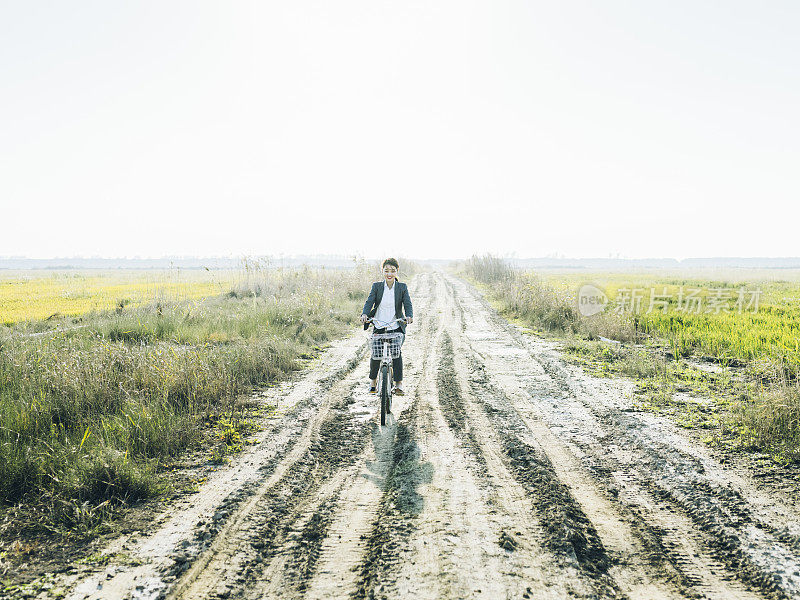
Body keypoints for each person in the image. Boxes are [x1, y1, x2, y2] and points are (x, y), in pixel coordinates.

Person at [360, 258, 413, 395]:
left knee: (396, 354)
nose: (389, 274)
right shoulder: (377, 286)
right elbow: (369, 301)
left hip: (395, 325)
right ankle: (373, 382)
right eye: (386, 270)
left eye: (393, 271)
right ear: (382, 271)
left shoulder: (402, 287)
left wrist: (409, 316)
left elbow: (407, 304)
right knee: (376, 354)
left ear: (397, 272)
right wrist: (365, 314)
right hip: (379, 324)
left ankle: (398, 384)